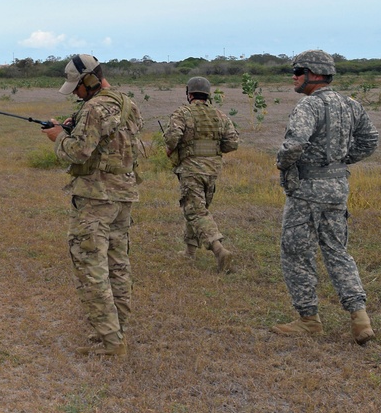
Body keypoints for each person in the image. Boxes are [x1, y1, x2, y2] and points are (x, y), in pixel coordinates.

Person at [272, 50, 379, 345]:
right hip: (336, 190)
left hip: (306, 192)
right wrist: (341, 161)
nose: (294, 76)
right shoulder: (351, 104)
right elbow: (370, 140)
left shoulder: (310, 105)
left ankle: (309, 320)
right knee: (337, 251)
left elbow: (294, 145)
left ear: (315, 74)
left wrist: (282, 163)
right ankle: (360, 319)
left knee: (296, 253)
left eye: (299, 70)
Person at [43, 54, 144, 358]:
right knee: (117, 265)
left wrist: (58, 136)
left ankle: (111, 342)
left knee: (91, 266)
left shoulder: (94, 109)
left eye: (77, 87)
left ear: (90, 80)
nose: (75, 93)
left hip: (95, 198)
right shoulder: (127, 103)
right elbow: (112, 143)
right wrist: (73, 125)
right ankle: (117, 330)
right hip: (123, 195)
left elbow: (79, 152)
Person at [163, 76, 240, 272]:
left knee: (196, 212)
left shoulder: (182, 113)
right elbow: (232, 143)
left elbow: (172, 137)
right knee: (197, 209)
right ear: (208, 94)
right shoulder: (220, 116)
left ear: (189, 94)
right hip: (212, 170)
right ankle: (190, 251)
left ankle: (219, 249)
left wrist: (171, 149)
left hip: (191, 169)